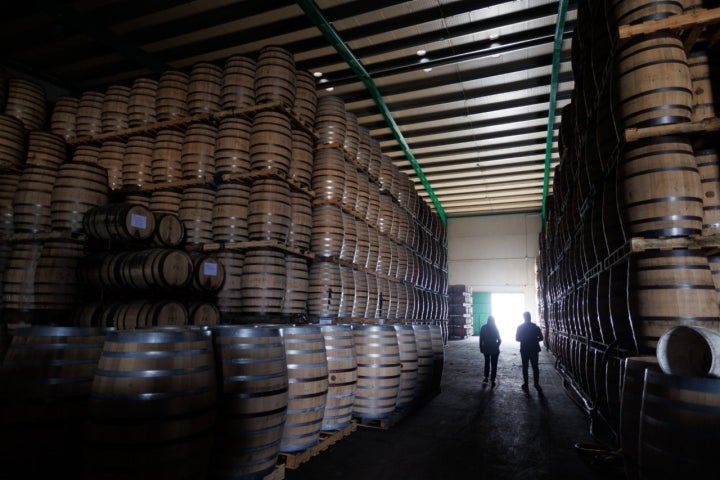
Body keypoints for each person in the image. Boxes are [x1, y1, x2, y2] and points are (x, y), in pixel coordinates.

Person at [516, 311, 543, 392]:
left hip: (524, 349)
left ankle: (526, 384)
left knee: (525, 367)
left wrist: (525, 339)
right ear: (530, 317)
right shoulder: (535, 327)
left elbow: (517, 338)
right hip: (534, 349)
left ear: (524, 318)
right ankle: (536, 384)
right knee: (535, 367)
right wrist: (534, 340)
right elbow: (541, 338)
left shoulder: (520, 327)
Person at [479, 315, 501, 387]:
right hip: (494, 349)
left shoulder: (484, 328)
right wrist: (496, 345)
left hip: (487, 348)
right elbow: (499, 340)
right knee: (494, 365)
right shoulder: (495, 328)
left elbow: (481, 339)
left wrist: (481, 347)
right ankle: (493, 379)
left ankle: (486, 377)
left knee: (487, 363)